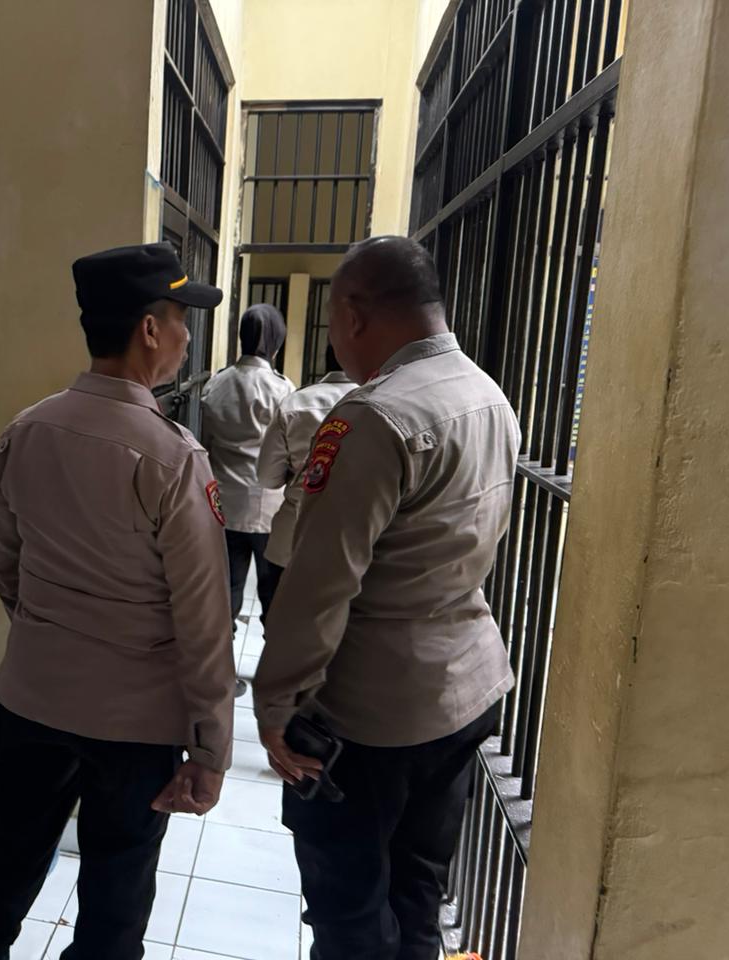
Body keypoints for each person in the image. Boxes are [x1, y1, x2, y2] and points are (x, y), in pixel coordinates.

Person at [0, 242, 235, 960]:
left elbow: (7, 566)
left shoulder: (25, 431)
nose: (185, 338)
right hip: (134, 730)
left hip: (31, 702)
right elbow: (204, 620)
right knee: (113, 908)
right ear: (149, 329)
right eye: (180, 320)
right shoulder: (173, 458)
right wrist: (210, 748)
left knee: (1, 873)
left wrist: (54, 638)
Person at [252, 236, 520, 960]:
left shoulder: (374, 416)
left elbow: (320, 582)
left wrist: (275, 705)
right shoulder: (488, 397)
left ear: (353, 313)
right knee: (417, 895)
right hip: (463, 688)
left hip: (372, 714)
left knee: (349, 915)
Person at [200, 304, 295, 632]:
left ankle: (221, 657)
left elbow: (206, 445)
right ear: (276, 342)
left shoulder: (216, 384)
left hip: (225, 504)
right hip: (269, 508)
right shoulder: (283, 389)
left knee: (227, 589)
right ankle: (274, 656)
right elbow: (287, 451)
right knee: (273, 594)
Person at [255, 344, 356, 607]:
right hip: (350, 549)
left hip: (290, 542)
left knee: (279, 623)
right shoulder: (379, 405)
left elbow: (267, 477)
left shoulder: (295, 403)